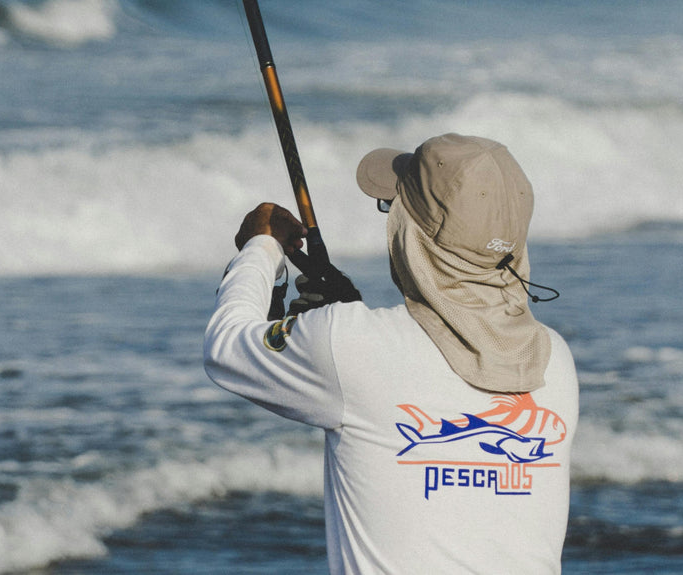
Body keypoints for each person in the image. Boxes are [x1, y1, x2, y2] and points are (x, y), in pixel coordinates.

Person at [203, 133, 579, 574]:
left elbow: (226, 346)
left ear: (413, 235)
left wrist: (261, 247)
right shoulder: (555, 360)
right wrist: (337, 318)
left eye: (392, 208)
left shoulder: (348, 343)